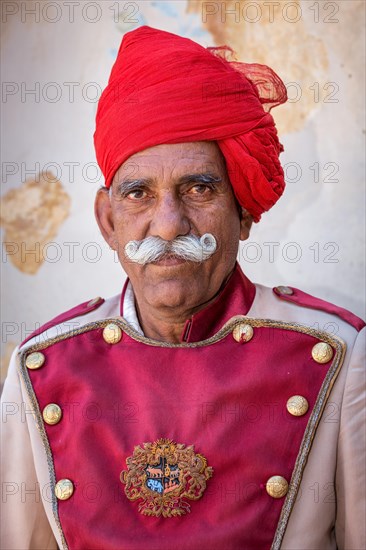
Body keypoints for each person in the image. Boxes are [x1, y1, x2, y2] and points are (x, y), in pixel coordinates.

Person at [1, 26, 365, 550]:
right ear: (108, 222)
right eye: (139, 194)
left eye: (199, 188)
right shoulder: (42, 367)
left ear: (243, 212)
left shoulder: (339, 356)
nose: (169, 224)